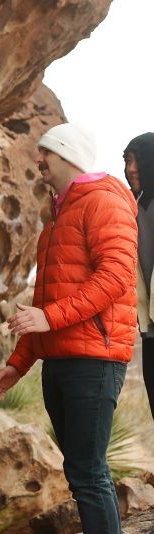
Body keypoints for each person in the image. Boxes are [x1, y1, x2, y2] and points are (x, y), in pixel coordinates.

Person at [0, 123, 138, 534]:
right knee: (79, 472)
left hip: (94, 362)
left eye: (45, 153)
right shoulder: (56, 219)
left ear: (68, 156)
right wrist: (18, 365)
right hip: (61, 361)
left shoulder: (103, 203)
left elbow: (115, 277)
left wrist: (49, 318)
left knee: (89, 474)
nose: (38, 161)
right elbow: (44, 304)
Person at [125, 133, 154, 417]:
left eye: (137, 160)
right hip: (149, 331)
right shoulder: (129, 210)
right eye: (127, 161)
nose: (131, 168)